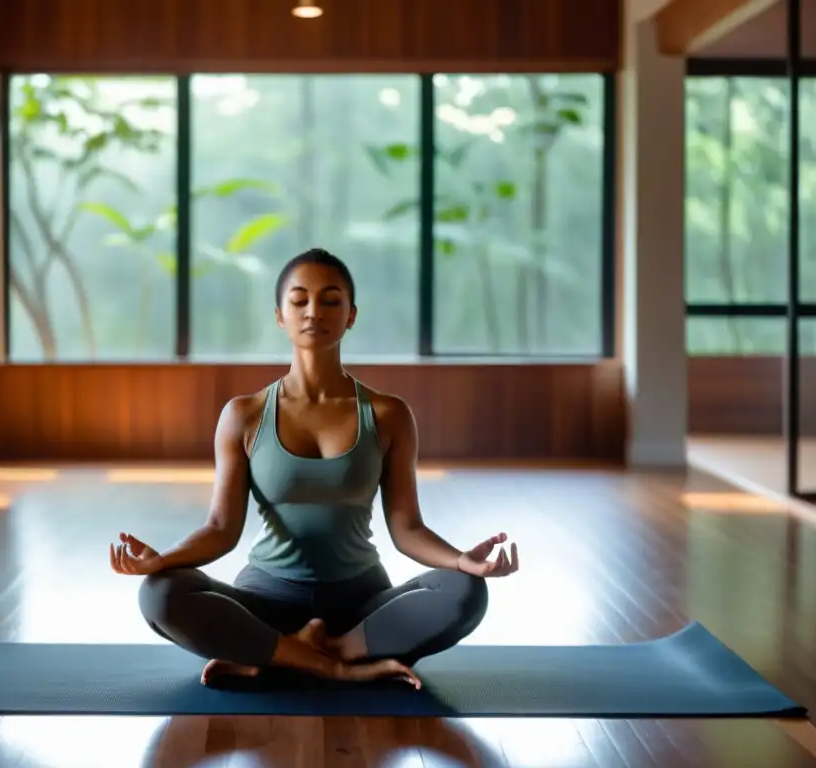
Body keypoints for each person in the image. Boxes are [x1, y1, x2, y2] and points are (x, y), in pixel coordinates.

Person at [110, 247, 520, 689]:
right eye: (299, 299)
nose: (313, 311)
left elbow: (407, 529)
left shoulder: (388, 414)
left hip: (361, 606)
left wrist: (462, 560)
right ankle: (332, 663)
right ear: (280, 316)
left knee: (465, 592)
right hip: (265, 600)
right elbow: (220, 528)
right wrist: (162, 560)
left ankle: (290, 653)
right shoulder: (244, 415)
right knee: (160, 593)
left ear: (351, 315)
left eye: (330, 300)